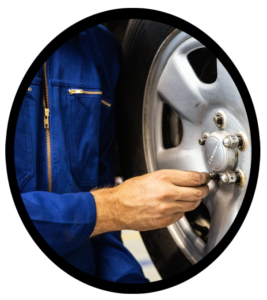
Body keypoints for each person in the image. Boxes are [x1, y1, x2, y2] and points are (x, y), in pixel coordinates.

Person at [14, 24, 210, 283]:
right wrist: (111, 208)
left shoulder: (101, 48)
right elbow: (108, 210)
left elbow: (104, 236)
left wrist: (128, 277)